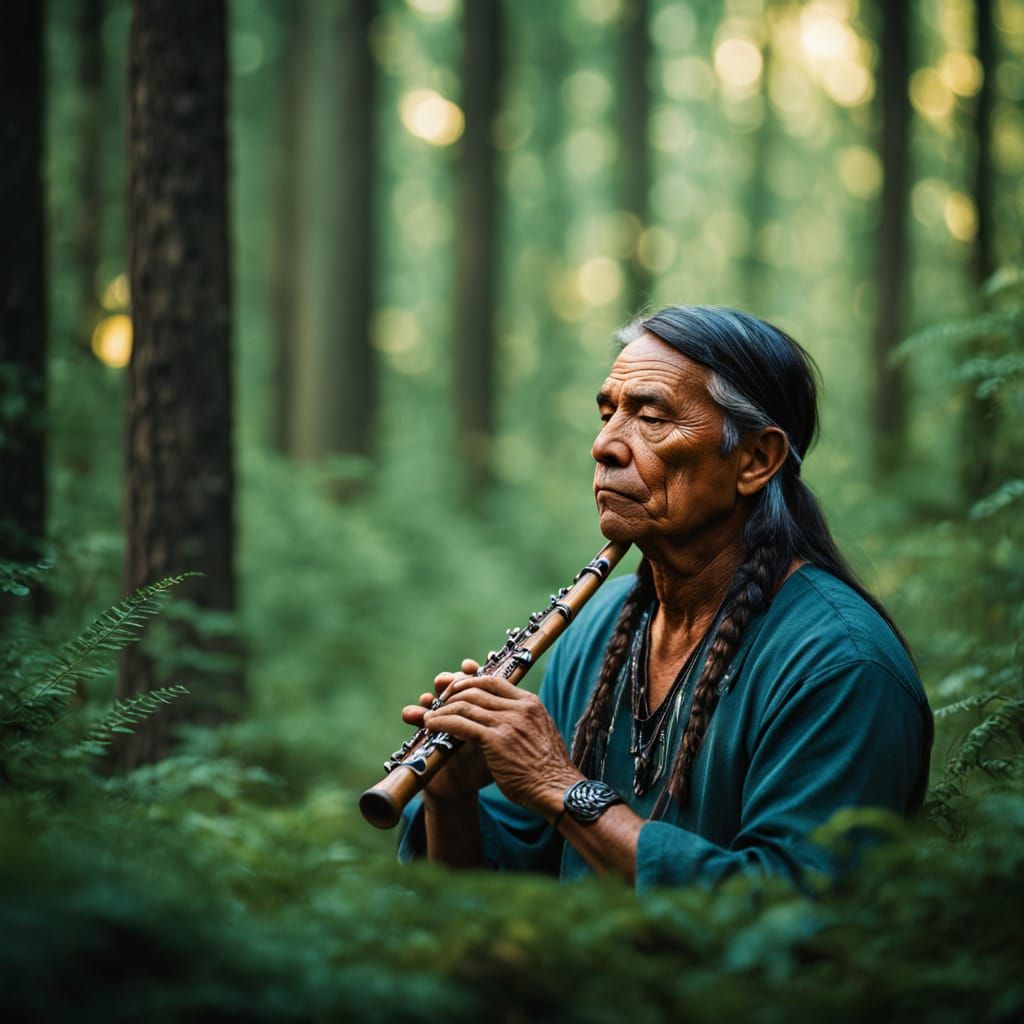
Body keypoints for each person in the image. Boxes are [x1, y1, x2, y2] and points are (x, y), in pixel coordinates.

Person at [398, 306, 933, 890]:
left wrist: (561, 786)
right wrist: (448, 799)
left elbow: (793, 920)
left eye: (650, 417)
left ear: (755, 460)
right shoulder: (598, 625)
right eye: (607, 414)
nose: (605, 445)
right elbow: (512, 892)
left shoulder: (841, 665)